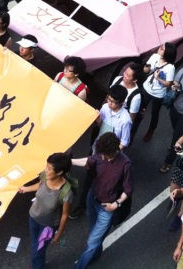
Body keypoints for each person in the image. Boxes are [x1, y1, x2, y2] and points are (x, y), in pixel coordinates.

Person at [72, 133, 133, 269]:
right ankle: (96, 253)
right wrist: (67, 161)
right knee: (93, 232)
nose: (103, 158)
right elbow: (88, 161)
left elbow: (127, 190)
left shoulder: (125, 164)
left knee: (92, 242)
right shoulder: (101, 155)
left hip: (107, 209)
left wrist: (116, 204)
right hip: (92, 199)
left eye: (106, 155)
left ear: (114, 151)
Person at [18, 152, 74, 269]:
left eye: (49, 168)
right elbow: (40, 185)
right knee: (35, 246)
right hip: (33, 217)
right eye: (46, 166)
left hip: (48, 227)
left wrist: (58, 234)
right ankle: (38, 264)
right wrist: (26, 189)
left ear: (59, 172)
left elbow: (64, 215)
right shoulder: (45, 176)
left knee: (37, 251)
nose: (45, 170)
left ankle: (37, 266)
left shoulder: (66, 192)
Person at [139, 43, 176, 142]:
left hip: (158, 94)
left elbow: (168, 83)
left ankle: (151, 131)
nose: (159, 48)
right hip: (146, 88)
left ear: (167, 53)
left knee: (154, 113)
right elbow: (146, 71)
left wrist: (158, 78)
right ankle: (133, 128)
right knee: (139, 109)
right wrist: (147, 65)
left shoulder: (170, 67)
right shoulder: (154, 56)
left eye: (162, 48)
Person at [96, 84, 133, 149]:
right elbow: (100, 126)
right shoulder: (105, 107)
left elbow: (124, 142)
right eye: (109, 99)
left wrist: (111, 154)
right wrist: (98, 119)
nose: (110, 103)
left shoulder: (125, 120)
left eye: (113, 102)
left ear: (122, 102)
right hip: (99, 143)